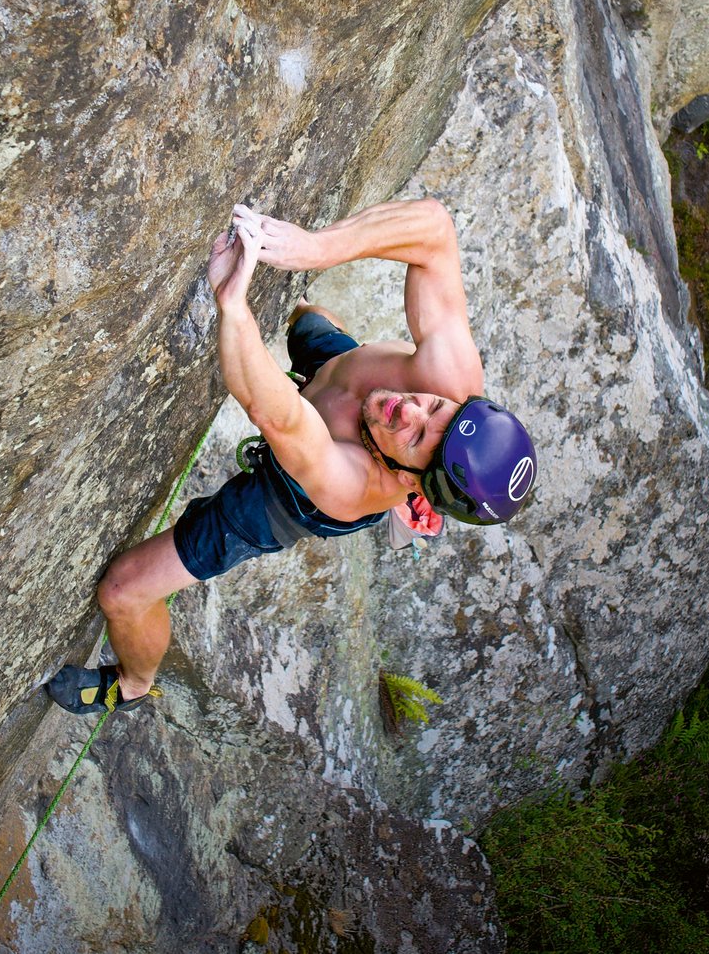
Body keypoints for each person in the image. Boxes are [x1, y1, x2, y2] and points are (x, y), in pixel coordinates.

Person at [47, 199, 536, 715]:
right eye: (435, 406)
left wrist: (233, 304)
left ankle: (132, 684)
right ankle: (316, 333)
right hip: (337, 374)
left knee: (123, 592)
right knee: (309, 319)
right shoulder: (451, 378)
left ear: (413, 483)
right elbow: (434, 229)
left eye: (416, 438)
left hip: (290, 494)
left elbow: (278, 416)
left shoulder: (353, 486)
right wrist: (316, 249)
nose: (408, 407)